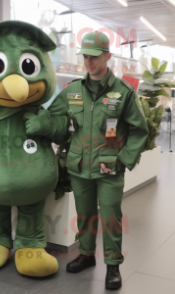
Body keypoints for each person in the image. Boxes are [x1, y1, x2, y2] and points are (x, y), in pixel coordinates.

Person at [61, 31, 149, 290]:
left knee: (111, 217)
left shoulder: (123, 92)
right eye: (85, 56)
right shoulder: (73, 90)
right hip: (80, 168)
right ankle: (86, 255)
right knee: (84, 215)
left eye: (95, 57)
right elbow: (56, 119)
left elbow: (140, 129)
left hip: (110, 167)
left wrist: (124, 158)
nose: (89, 62)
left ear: (108, 56)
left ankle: (113, 266)